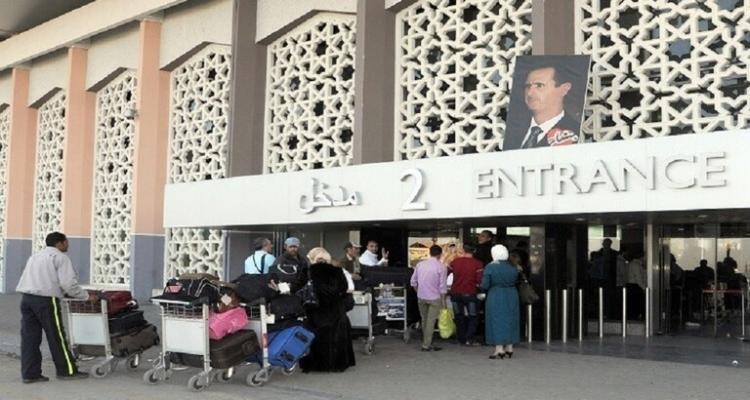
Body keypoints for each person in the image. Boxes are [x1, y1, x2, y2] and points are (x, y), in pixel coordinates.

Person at [16, 232, 95, 383]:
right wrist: (85, 296)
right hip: (46, 300)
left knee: (30, 338)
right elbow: (68, 284)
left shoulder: (35, 256)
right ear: (59, 243)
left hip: (27, 299)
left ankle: (30, 374)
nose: (67, 245)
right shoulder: (60, 257)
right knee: (56, 336)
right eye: (66, 242)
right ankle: (67, 371)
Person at [299, 247, 355, 373]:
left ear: (312, 259)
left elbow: (298, 288)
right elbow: (344, 288)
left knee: (315, 336)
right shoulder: (338, 271)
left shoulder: (307, 272)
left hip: (315, 308)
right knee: (335, 336)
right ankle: (337, 365)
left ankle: (316, 365)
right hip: (335, 308)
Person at [509, 64, 580, 149]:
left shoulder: (576, 132)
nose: (530, 93)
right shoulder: (511, 129)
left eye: (539, 85)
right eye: (528, 86)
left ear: (564, 89)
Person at [481, 244, 520, 359]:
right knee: (511, 319)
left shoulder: (491, 267)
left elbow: (485, 285)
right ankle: (509, 347)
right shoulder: (513, 265)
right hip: (512, 294)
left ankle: (499, 349)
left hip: (496, 295)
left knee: (497, 320)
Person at [410, 245, 448, 352]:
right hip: (435, 298)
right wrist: (443, 302)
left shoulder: (420, 265)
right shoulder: (442, 267)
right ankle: (426, 345)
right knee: (431, 321)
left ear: (429, 253)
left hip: (421, 297)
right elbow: (442, 287)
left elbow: (413, 282)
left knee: (424, 320)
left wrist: (418, 292)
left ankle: (427, 342)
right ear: (440, 254)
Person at [448, 244, 484, 346]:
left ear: (463, 250)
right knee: (473, 316)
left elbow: (446, 272)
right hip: (470, 293)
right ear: (474, 251)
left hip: (455, 293)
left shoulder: (455, 262)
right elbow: (479, 280)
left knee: (458, 316)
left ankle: (461, 339)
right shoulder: (478, 264)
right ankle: (469, 339)